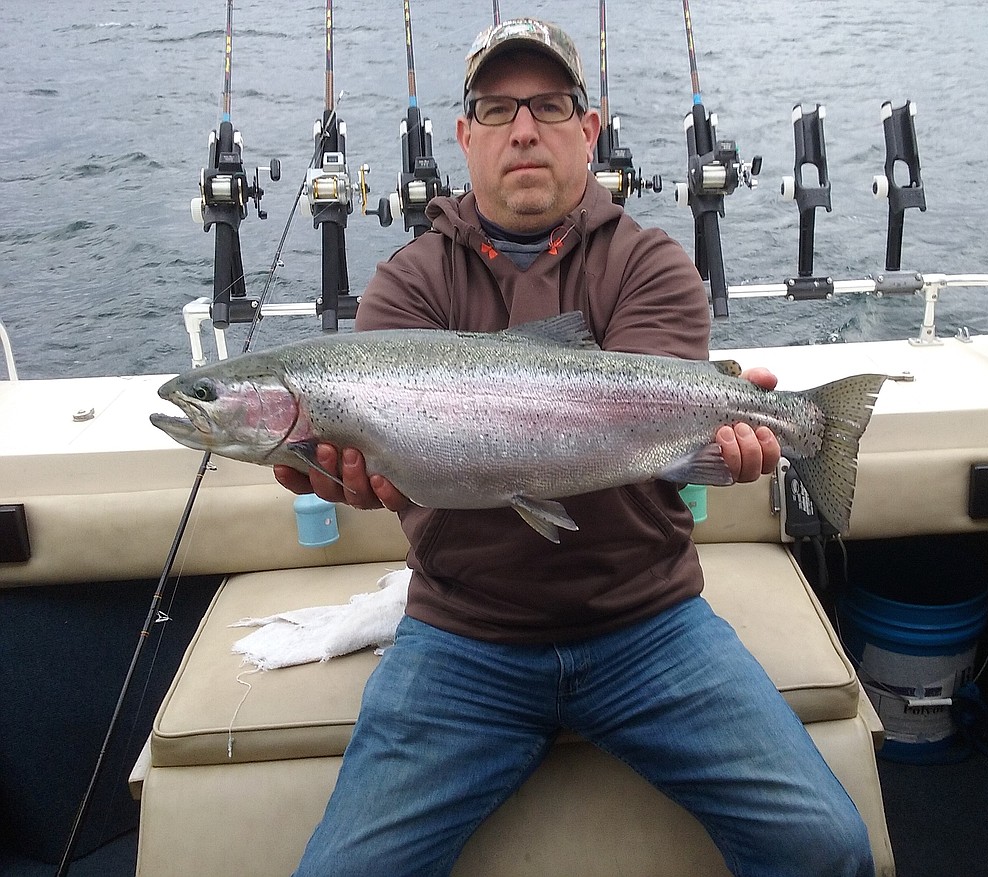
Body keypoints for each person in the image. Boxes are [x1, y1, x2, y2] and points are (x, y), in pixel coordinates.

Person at [276, 17, 875, 877]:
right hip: (461, 637)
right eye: (496, 109)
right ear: (464, 136)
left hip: (649, 627)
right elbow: (412, 478)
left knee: (830, 847)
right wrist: (361, 478)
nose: (523, 129)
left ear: (587, 132)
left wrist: (735, 441)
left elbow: (642, 437)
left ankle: (818, 425)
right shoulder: (407, 283)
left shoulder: (652, 265)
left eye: (549, 106)